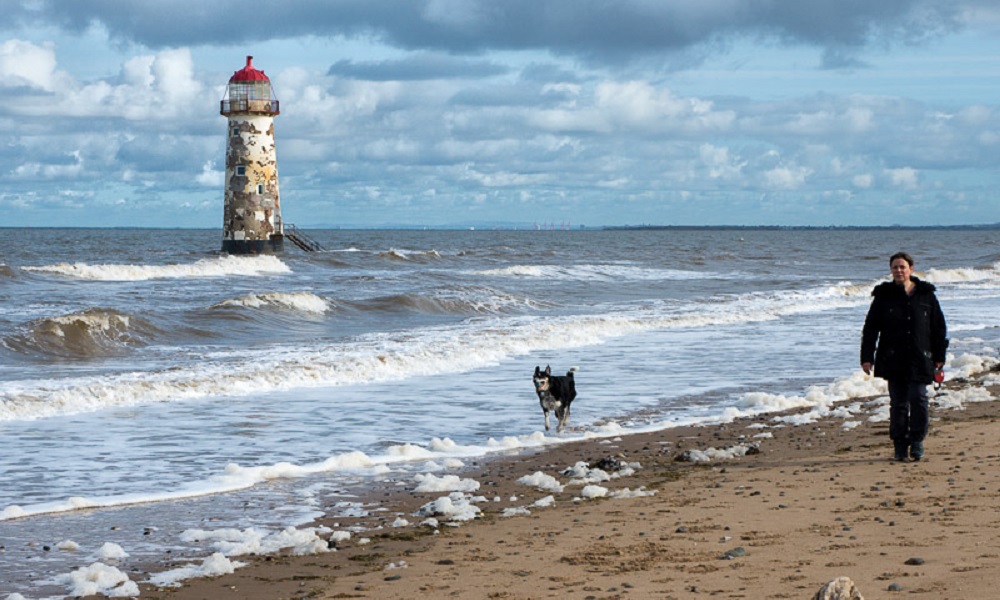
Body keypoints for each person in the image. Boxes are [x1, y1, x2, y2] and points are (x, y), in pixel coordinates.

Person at [861, 252, 948, 462]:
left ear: (911, 269)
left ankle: (917, 440)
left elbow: (938, 327)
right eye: (895, 267)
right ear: (891, 270)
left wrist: (939, 356)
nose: (899, 271)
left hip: (921, 357)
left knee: (918, 399)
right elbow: (871, 328)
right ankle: (900, 445)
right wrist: (866, 357)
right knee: (898, 403)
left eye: (902, 267)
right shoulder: (883, 295)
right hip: (892, 358)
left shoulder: (926, 294)